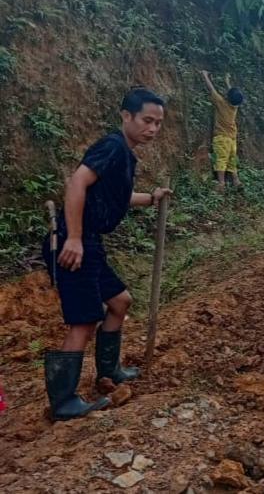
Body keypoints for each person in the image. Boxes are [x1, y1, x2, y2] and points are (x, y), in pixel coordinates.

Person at [41, 88, 173, 421]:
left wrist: (151, 198)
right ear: (126, 116)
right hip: (76, 242)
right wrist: (74, 238)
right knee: (84, 320)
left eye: (158, 123)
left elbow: (116, 197)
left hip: (91, 243)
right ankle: (63, 402)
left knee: (120, 302)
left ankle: (109, 371)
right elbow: (77, 183)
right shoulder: (112, 146)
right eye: (147, 120)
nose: (153, 129)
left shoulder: (124, 154)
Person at [200, 70, 244, 190]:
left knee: (221, 159)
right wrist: (227, 81)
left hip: (221, 137)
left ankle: (221, 183)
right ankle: (236, 181)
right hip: (232, 138)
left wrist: (205, 76)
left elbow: (212, 90)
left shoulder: (221, 102)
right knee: (232, 160)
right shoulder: (235, 107)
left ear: (227, 96)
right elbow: (232, 95)